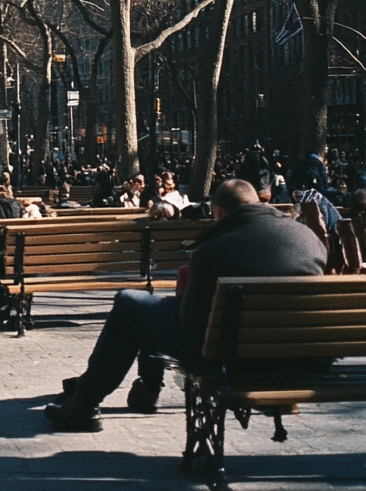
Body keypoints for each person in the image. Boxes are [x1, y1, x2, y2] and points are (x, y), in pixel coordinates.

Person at [43, 179, 327, 432]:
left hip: (228, 356)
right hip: (298, 359)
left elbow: (191, 323)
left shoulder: (215, 249)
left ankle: (83, 405)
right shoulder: (307, 238)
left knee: (130, 303)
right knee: (151, 309)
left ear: (217, 211)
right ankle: (139, 390)